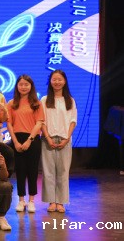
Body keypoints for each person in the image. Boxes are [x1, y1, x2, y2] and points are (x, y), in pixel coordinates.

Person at [7, 74, 45, 213]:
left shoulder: (37, 103)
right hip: (17, 139)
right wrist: (15, 142)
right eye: (21, 84)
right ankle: (21, 200)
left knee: (33, 171)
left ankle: (32, 201)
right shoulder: (11, 103)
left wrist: (29, 140)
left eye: (26, 84)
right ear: (17, 86)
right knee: (20, 171)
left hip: (33, 139)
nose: (23, 87)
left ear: (31, 86)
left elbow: (39, 123)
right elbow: (9, 124)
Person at [41, 69, 77, 213]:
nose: (57, 82)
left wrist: (67, 138)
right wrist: (47, 138)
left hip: (64, 139)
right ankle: (51, 202)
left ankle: (61, 202)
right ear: (50, 81)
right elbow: (42, 121)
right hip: (47, 139)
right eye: (54, 79)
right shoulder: (44, 100)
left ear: (64, 81)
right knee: (48, 172)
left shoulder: (70, 100)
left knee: (63, 172)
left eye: (59, 79)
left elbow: (73, 121)